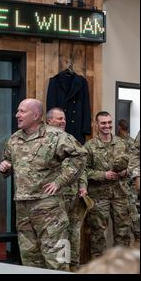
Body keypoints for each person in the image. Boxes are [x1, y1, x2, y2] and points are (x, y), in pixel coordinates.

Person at [0, 99, 87, 271]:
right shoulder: (14, 139)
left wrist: (60, 181)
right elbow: (8, 162)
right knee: (30, 260)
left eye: (22, 111)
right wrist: (4, 167)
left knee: (57, 260)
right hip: (23, 209)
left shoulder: (56, 136)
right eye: (18, 111)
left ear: (36, 115)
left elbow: (81, 156)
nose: (17, 115)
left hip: (49, 208)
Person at [46, 107, 88, 270]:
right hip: (55, 196)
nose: (63, 121)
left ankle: (74, 267)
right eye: (59, 119)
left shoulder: (70, 139)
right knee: (59, 234)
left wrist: (83, 186)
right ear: (49, 121)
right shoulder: (45, 140)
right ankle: (61, 268)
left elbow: (81, 167)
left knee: (74, 232)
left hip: (73, 195)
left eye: (63, 118)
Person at [85, 112, 131, 259]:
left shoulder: (122, 143)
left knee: (123, 231)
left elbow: (133, 165)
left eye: (109, 122)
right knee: (98, 232)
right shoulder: (90, 146)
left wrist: (126, 172)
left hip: (120, 194)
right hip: (99, 196)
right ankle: (99, 267)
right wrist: (103, 175)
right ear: (96, 125)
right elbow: (83, 171)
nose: (107, 126)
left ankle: (122, 265)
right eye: (103, 123)